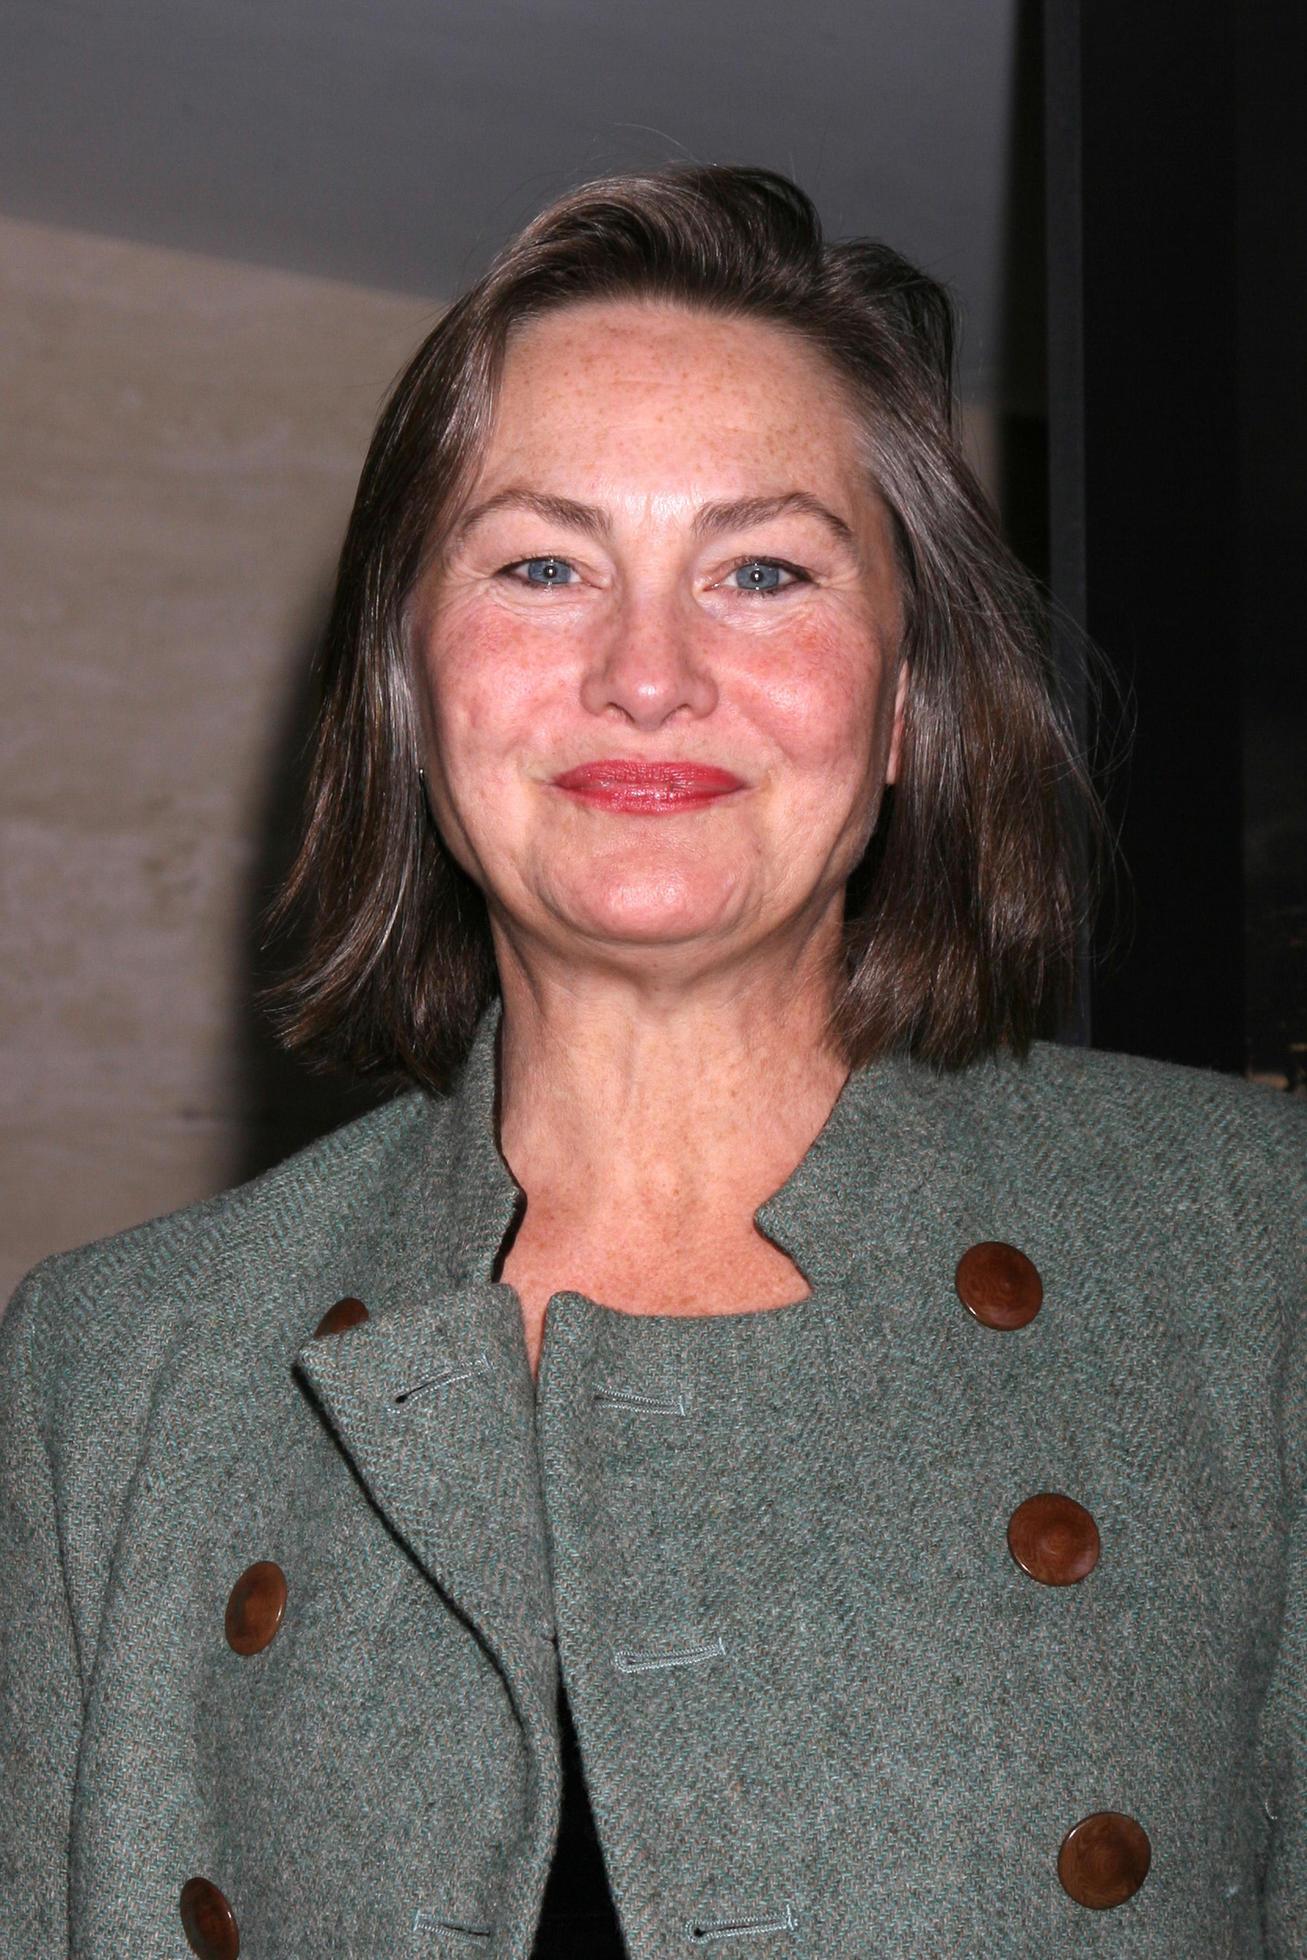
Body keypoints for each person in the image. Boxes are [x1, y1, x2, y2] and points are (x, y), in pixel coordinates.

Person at [1, 163, 1302, 1960]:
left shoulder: (1256, 1255)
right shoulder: (111, 1374)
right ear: (412, 683)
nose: (647, 672)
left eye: (762, 569)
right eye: (544, 564)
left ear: (911, 697)